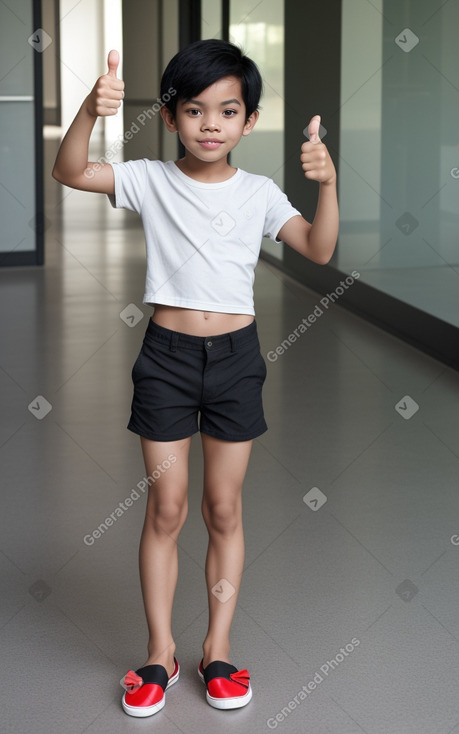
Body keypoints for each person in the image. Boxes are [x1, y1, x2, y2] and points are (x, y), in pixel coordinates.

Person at [52, 38, 338, 717]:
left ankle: (217, 649)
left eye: (227, 110)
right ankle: (158, 653)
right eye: (194, 110)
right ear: (172, 116)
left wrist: (326, 183)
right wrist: (92, 111)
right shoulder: (150, 178)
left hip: (236, 361)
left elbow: (319, 250)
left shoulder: (260, 193)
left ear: (249, 120)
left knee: (223, 509)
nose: (210, 123)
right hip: (166, 362)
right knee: (167, 507)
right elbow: (69, 172)